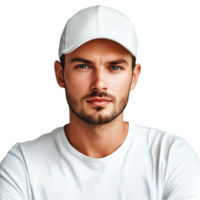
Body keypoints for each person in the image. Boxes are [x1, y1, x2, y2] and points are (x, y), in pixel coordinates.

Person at [1, 4, 200, 200]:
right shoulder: (23, 165)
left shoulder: (171, 158)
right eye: (84, 66)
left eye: (114, 67)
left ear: (134, 77)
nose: (99, 84)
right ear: (59, 75)